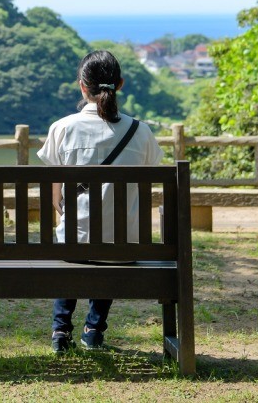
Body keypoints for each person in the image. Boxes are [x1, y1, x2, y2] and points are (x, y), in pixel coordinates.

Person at [36, 49, 164, 353]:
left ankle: (59, 332)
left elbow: (56, 198)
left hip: (73, 245)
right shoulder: (141, 132)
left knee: (74, 237)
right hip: (123, 249)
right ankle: (93, 330)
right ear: (119, 84)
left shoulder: (62, 128)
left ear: (83, 86)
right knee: (110, 233)